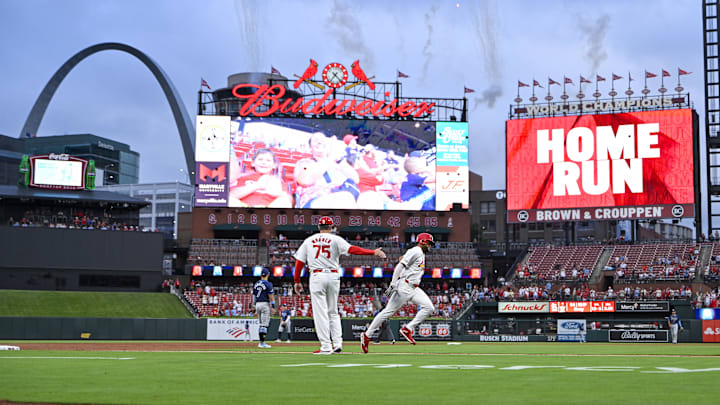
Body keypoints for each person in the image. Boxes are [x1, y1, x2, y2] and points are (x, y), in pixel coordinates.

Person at [293, 216, 386, 354]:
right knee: (333, 312)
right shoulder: (335, 239)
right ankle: (337, 343)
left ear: (319, 227)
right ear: (331, 227)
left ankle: (325, 346)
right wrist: (373, 252)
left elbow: (299, 263)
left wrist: (297, 281)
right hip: (333, 275)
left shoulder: (309, 240)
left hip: (317, 275)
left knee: (320, 313)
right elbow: (353, 249)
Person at [361, 233, 436, 353]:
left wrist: (403, 258)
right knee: (387, 312)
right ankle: (367, 335)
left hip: (414, 288)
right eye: (429, 243)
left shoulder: (420, 253)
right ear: (422, 241)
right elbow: (399, 266)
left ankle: (408, 329)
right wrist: (393, 283)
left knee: (429, 307)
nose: (430, 246)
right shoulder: (416, 250)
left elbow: (405, 262)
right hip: (405, 286)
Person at [293, 132, 360, 209]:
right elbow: (305, 179)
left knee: (370, 197)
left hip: (343, 195)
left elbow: (356, 179)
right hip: (314, 200)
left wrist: (339, 160)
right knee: (344, 198)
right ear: (310, 148)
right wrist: (331, 157)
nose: (319, 142)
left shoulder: (338, 162)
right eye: (315, 140)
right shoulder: (304, 163)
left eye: (322, 140)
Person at [253, 268, 276, 348]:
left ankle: (261, 342)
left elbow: (254, 296)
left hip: (257, 304)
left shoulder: (256, 283)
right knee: (264, 325)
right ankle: (262, 343)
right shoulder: (268, 284)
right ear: (268, 274)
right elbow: (271, 296)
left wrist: (254, 305)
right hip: (264, 304)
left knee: (260, 324)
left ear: (261, 275)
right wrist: (273, 306)